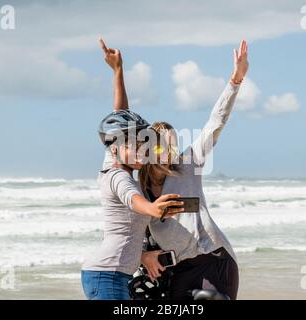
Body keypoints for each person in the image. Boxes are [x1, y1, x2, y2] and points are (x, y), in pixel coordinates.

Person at [139, 40, 249, 300]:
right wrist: (143, 256)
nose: (168, 153)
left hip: (215, 262)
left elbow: (215, 124)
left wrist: (235, 81)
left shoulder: (188, 165)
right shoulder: (138, 191)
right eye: (161, 147)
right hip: (178, 272)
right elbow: (126, 233)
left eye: (172, 146)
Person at [80, 39, 185, 300]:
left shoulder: (114, 160)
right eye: (134, 145)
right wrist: (153, 208)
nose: (142, 150)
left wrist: (117, 71)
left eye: (143, 143)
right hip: (107, 276)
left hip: (111, 274)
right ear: (115, 148)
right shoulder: (117, 178)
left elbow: (121, 114)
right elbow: (134, 200)